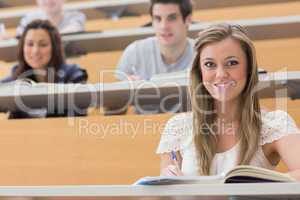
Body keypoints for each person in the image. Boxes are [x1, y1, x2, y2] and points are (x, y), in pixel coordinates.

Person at [156, 23, 300, 180]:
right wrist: (167, 181)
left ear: (249, 68)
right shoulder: (177, 127)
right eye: (209, 64)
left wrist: (256, 188)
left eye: (232, 63)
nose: (220, 74)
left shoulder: (275, 124)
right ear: (200, 72)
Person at [1, 19, 88, 119]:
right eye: (30, 44)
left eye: (43, 45)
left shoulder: (73, 75)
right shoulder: (12, 81)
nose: (35, 51)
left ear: (54, 47)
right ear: (22, 47)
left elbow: (78, 118)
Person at [115, 0, 194, 81]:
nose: (164, 26)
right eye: (158, 18)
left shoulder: (202, 55)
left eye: (172, 18)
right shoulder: (134, 53)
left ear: (188, 20)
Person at [16, 0, 86, 37]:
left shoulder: (75, 16)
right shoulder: (29, 18)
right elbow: (20, 36)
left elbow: (74, 30)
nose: (48, 0)